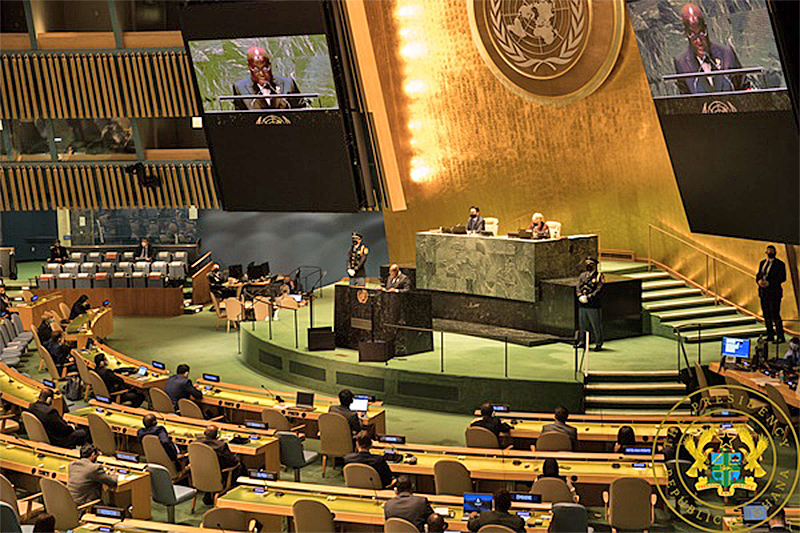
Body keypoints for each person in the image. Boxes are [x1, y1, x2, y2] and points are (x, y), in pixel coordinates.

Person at [672, 3, 751, 94]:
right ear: (686, 34)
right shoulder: (682, 63)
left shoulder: (727, 53)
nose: (698, 41)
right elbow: (685, 100)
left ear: (706, 28)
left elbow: (745, 86)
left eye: (701, 33)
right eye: (692, 35)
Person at [232, 47, 307, 110]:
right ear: (249, 68)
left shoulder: (288, 84)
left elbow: (302, 109)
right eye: (256, 69)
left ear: (270, 66)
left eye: (265, 68)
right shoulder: (240, 89)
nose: (261, 74)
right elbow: (239, 119)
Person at [195, 425, 245, 504]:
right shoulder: (221, 446)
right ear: (217, 435)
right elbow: (233, 462)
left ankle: (209, 494)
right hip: (220, 475)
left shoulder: (196, 443)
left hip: (201, 475)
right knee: (240, 466)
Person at [756, 245, 786, 344]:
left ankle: (780, 336)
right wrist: (759, 281)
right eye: (768, 251)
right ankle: (770, 335)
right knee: (766, 315)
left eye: (771, 251)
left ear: (775, 252)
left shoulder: (780, 264)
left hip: (774, 293)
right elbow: (758, 274)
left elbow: (782, 278)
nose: (770, 253)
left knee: (775, 315)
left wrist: (770, 283)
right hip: (763, 293)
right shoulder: (762, 263)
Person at [576, 257, 604, 351]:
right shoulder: (583, 275)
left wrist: (589, 297)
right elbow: (578, 286)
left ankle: (598, 343)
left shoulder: (599, 276)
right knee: (582, 324)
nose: (588, 265)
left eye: (591, 263)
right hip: (583, 304)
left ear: (595, 265)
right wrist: (580, 295)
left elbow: (599, 289)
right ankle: (582, 342)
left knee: (595, 325)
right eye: (587, 263)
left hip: (593, 304)